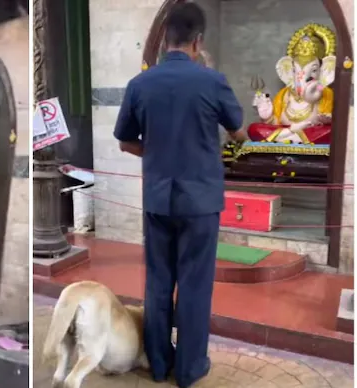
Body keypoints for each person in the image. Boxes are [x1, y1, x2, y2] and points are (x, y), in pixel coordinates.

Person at [113, 3, 245, 387]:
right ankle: (189, 371)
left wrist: (154, 150)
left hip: (157, 199)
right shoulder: (212, 81)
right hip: (201, 203)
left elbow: (124, 142)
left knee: (157, 282)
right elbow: (239, 133)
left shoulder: (140, 84)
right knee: (194, 285)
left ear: (165, 39)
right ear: (198, 41)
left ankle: (158, 365)